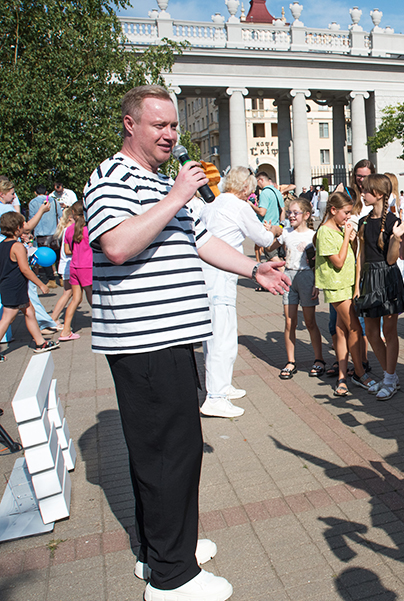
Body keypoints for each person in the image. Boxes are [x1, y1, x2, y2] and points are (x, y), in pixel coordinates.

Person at [84, 84, 289, 601]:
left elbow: (202, 239)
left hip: (173, 337)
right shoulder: (114, 176)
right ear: (130, 125)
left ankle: (166, 548)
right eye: (160, 126)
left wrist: (253, 269)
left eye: (174, 126)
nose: (171, 135)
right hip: (143, 338)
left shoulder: (158, 180)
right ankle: (172, 579)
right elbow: (115, 245)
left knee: (172, 450)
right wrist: (175, 195)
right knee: (165, 453)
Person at [196, 166, 277, 418]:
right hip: (220, 276)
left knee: (219, 335)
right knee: (222, 335)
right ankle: (215, 396)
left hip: (211, 275)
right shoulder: (240, 207)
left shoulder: (215, 203)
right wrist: (274, 230)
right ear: (246, 188)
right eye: (252, 189)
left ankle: (222, 385)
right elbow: (263, 238)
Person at [315, 191, 379, 397]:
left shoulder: (339, 229)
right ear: (333, 210)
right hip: (337, 286)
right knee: (354, 329)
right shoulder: (325, 231)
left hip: (347, 284)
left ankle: (342, 376)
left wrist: (350, 239)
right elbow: (339, 261)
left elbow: (349, 255)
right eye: (345, 213)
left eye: (350, 213)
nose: (348, 217)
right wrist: (346, 240)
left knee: (341, 330)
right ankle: (359, 373)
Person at [354, 174, 404, 400]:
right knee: (370, 331)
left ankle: (389, 378)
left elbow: (390, 260)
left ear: (378, 194)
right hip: (369, 279)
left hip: (387, 278)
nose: (363, 194)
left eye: (366, 191)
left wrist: (396, 239)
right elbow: (361, 255)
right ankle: (391, 376)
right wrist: (358, 284)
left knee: (389, 331)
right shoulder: (364, 221)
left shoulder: (392, 222)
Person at [268, 197, 325, 380]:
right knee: (289, 322)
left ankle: (319, 359)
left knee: (309, 322)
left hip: (307, 277)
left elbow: (319, 261)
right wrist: (269, 233)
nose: (291, 216)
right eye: (289, 212)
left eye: (295, 212)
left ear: (306, 215)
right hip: (289, 277)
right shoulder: (286, 233)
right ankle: (291, 361)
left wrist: (317, 282)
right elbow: (269, 247)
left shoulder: (313, 235)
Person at [0, 212, 59, 360]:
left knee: (29, 311)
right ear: (17, 229)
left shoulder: (3, 245)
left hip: (10, 285)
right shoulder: (17, 246)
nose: (25, 228)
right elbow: (25, 269)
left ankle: (40, 343)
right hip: (14, 287)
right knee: (8, 318)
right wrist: (41, 284)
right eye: (22, 225)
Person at [57, 201, 92, 341]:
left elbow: (67, 250)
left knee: (76, 299)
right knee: (92, 296)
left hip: (74, 266)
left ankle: (66, 330)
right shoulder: (89, 229)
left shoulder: (69, 230)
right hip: (87, 266)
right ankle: (103, 321)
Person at [28, 185, 63, 286]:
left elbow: (32, 218)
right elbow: (60, 216)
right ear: (47, 192)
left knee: (45, 257)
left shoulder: (33, 202)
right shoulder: (55, 201)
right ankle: (61, 278)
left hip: (41, 234)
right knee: (57, 256)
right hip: (55, 233)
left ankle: (51, 280)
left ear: (35, 192)